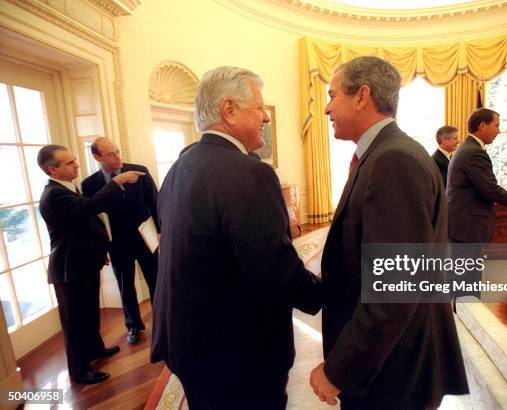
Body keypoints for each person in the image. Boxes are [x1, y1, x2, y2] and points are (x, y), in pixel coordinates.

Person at [150, 66, 321, 409]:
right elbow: (273, 268)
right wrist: (328, 291)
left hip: (185, 341)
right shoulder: (248, 173)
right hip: (235, 355)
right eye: (259, 108)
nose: (266, 119)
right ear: (229, 110)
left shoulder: (181, 165)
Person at [309, 56, 468, 409]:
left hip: (395, 370)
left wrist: (338, 370)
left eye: (333, 95)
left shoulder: (394, 160)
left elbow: (394, 290)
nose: (326, 108)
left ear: (362, 96)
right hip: (389, 362)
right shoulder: (381, 154)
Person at [37, 144, 144, 384]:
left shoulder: (68, 188)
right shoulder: (55, 194)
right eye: (69, 163)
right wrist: (117, 182)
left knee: (89, 311)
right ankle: (79, 370)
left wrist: (100, 249)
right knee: (75, 322)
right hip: (69, 268)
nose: (76, 165)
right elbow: (91, 207)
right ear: (53, 169)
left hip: (84, 261)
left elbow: (84, 223)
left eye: (75, 160)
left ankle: (95, 349)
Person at [446, 108, 507, 298]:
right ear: (483, 126)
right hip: (468, 227)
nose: (499, 131)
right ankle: (465, 323)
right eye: (496, 125)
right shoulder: (474, 152)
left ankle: (460, 319)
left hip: (461, 225)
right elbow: (489, 188)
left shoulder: (466, 148)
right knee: (467, 283)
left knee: (462, 277)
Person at [82, 137, 159, 345]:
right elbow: (92, 218)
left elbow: (155, 202)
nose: (117, 157)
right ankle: (133, 326)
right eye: (110, 154)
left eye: (118, 151)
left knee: (156, 280)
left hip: (146, 238)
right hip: (117, 243)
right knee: (125, 286)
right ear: (97, 157)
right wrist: (101, 247)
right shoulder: (90, 185)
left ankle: (162, 321)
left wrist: (161, 232)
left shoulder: (140, 171)